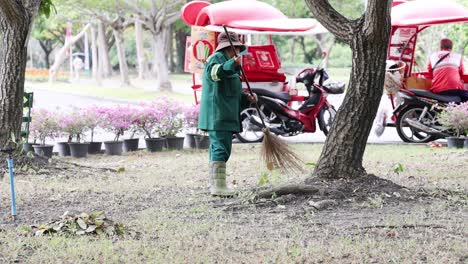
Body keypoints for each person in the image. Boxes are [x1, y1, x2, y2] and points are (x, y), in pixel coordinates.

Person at [198, 31, 257, 197]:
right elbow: (215, 73)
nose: (237, 51)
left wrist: (248, 98)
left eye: (238, 48)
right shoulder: (215, 59)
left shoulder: (231, 63)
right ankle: (218, 187)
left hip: (227, 113)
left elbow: (234, 93)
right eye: (235, 48)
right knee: (220, 148)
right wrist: (232, 64)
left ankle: (218, 184)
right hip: (217, 114)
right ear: (229, 47)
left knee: (223, 148)